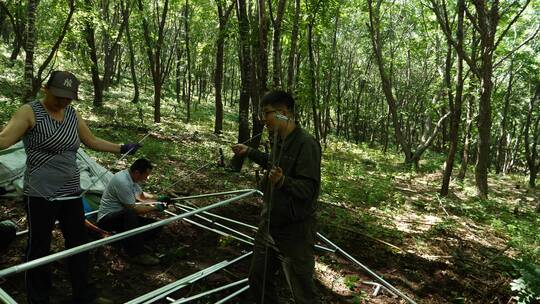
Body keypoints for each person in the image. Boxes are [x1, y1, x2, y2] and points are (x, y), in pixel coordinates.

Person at [0, 70, 141, 304]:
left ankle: (83, 294)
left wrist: (121, 147)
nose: (63, 101)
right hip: (40, 194)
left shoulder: (72, 115)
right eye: (59, 96)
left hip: (70, 192)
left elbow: (92, 141)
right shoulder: (30, 112)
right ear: (46, 89)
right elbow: (4, 139)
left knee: (78, 243)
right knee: (39, 247)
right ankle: (39, 297)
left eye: (68, 97)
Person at [232, 90, 321, 304]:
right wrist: (249, 152)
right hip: (269, 223)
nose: (264, 120)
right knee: (259, 280)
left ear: (284, 112)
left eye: (267, 113)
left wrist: (283, 182)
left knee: (302, 291)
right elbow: (273, 164)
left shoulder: (306, 144)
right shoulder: (279, 140)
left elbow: (309, 190)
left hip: (295, 231)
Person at [97, 158, 168, 265]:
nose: (146, 178)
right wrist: (156, 207)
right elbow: (134, 209)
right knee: (130, 213)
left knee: (156, 226)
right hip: (107, 219)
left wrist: (159, 199)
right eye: (145, 175)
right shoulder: (122, 182)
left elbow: (141, 196)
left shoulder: (131, 178)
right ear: (137, 172)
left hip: (123, 220)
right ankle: (136, 254)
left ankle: (124, 241)